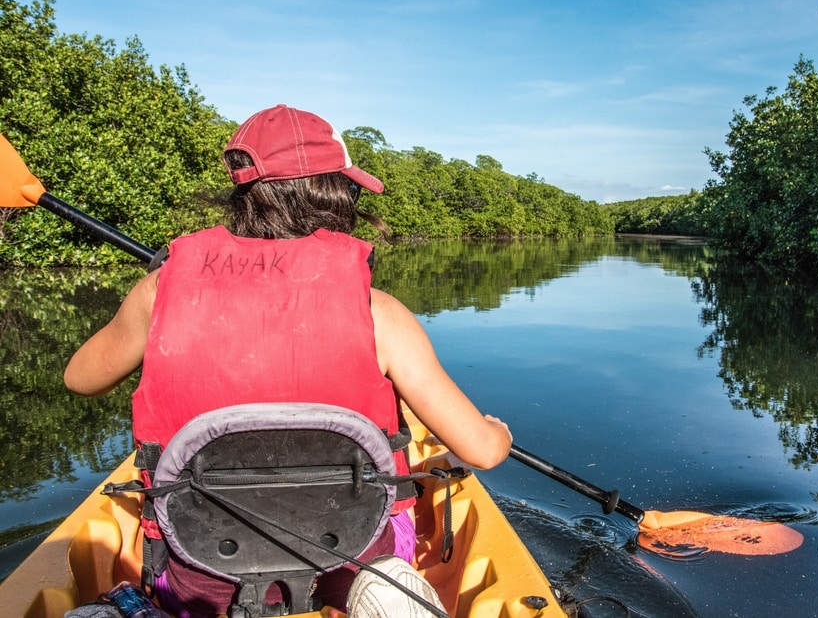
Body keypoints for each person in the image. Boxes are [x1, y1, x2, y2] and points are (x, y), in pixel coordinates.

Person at [64, 104, 513, 617]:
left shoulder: (157, 294)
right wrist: (497, 431)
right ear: (334, 194)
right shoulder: (379, 314)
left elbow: (79, 378)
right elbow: (480, 451)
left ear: (241, 194)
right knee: (382, 541)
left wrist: (159, 291)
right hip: (354, 560)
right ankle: (385, 587)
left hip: (202, 578)